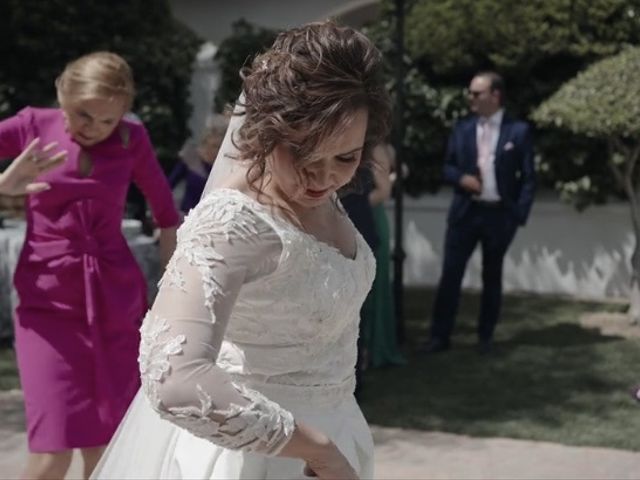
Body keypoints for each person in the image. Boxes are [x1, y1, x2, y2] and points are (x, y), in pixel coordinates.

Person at [91, 21, 391, 480]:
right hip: (251, 460)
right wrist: (318, 451)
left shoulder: (317, 194)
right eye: (304, 155)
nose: (324, 177)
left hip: (337, 436)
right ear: (267, 131)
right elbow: (173, 378)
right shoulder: (233, 222)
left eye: (345, 158)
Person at [0, 52, 180, 479]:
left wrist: (172, 294)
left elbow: (167, 215)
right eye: (85, 115)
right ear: (63, 93)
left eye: (108, 120)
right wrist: (4, 185)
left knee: (108, 449)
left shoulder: (130, 138)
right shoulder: (31, 125)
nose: (96, 129)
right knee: (51, 455)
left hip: (115, 302)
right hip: (47, 305)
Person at [421, 71, 536, 355]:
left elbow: (529, 178)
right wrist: (462, 179)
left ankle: (486, 337)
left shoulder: (518, 131)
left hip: (499, 215)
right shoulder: (462, 128)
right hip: (465, 213)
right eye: (470, 93)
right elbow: (447, 167)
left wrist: (518, 215)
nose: (470, 98)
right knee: (451, 275)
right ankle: (439, 337)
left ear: (495, 95)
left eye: (476, 93)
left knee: (492, 276)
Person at [363, 143, 406, 368]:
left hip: (370, 220)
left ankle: (374, 348)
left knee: (374, 288)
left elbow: (384, 190)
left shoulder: (376, 148)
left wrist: (349, 204)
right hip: (349, 220)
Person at [168, 115, 229, 214]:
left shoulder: (225, 165)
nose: (215, 151)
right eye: (213, 146)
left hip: (212, 216)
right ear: (207, 140)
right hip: (187, 215)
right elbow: (169, 185)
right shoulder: (192, 157)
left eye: (219, 147)